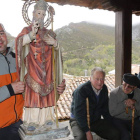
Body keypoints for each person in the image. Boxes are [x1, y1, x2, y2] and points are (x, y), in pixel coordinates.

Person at [15, 0, 65, 126]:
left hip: (47, 71)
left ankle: (48, 118)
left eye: (43, 14)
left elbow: (57, 54)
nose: (41, 16)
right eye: (38, 13)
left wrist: (55, 44)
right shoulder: (26, 30)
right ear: (33, 13)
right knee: (34, 93)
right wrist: (31, 36)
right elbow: (19, 43)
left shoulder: (49, 33)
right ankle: (32, 120)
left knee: (48, 92)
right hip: (32, 69)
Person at [70, 67, 120, 140]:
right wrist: (87, 131)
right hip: (78, 121)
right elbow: (79, 114)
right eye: (97, 79)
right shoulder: (81, 91)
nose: (100, 82)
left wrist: (112, 123)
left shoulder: (104, 89)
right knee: (81, 138)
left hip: (94, 120)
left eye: (102, 79)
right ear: (90, 79)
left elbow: (105, 109)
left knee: (115, 133)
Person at [0, 23, 25, 140]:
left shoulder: (17, 59)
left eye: (1, 33)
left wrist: (55, 89)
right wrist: (10, 89)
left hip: (17, 125)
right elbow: (12, 89)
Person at [109, 73, 140, 140]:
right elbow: (112, 112)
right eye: (124, 84)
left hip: (133, 119)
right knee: (125, 137)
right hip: (118, 120)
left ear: (135, 87)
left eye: (129, 86)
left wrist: (135, 105)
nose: (126, 88)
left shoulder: (139, 93)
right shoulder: (114, 93)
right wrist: (125, 104)